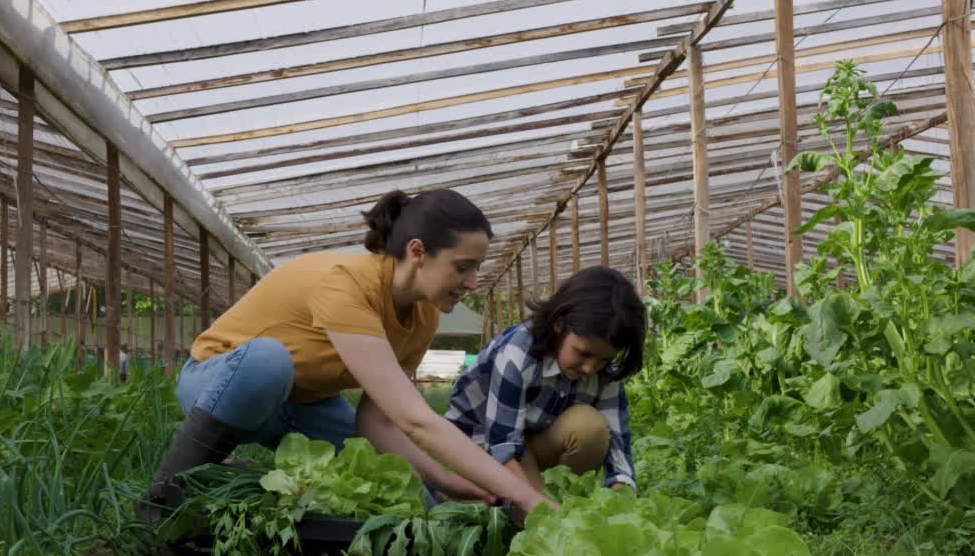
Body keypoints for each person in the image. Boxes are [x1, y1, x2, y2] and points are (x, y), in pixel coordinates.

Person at [140, 189, 554, 521]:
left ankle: (243, 477)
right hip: (218, 383)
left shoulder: (423, 314)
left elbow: (379, 421)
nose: (472, 281)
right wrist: (521, 493)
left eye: (477, 267)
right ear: (417, 251)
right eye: (463, 267)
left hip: (303, 405)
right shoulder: (345, 286)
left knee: (410, 494)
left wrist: (443, 480)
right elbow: (416, 419)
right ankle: (161, 501)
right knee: (268, 360)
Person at [446, 266, 646, 495]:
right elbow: (502, 448)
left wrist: (623, 498)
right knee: (521, 510)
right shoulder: (518, 353)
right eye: (583, 353)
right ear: (559, 324)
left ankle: (562, 502)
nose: (590, 368)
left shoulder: (603, 370)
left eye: (603, 359)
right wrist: (534, 506)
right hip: (476, 443)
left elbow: (618, 448)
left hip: (528, 440)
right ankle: (462, 493)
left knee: (589, 429)